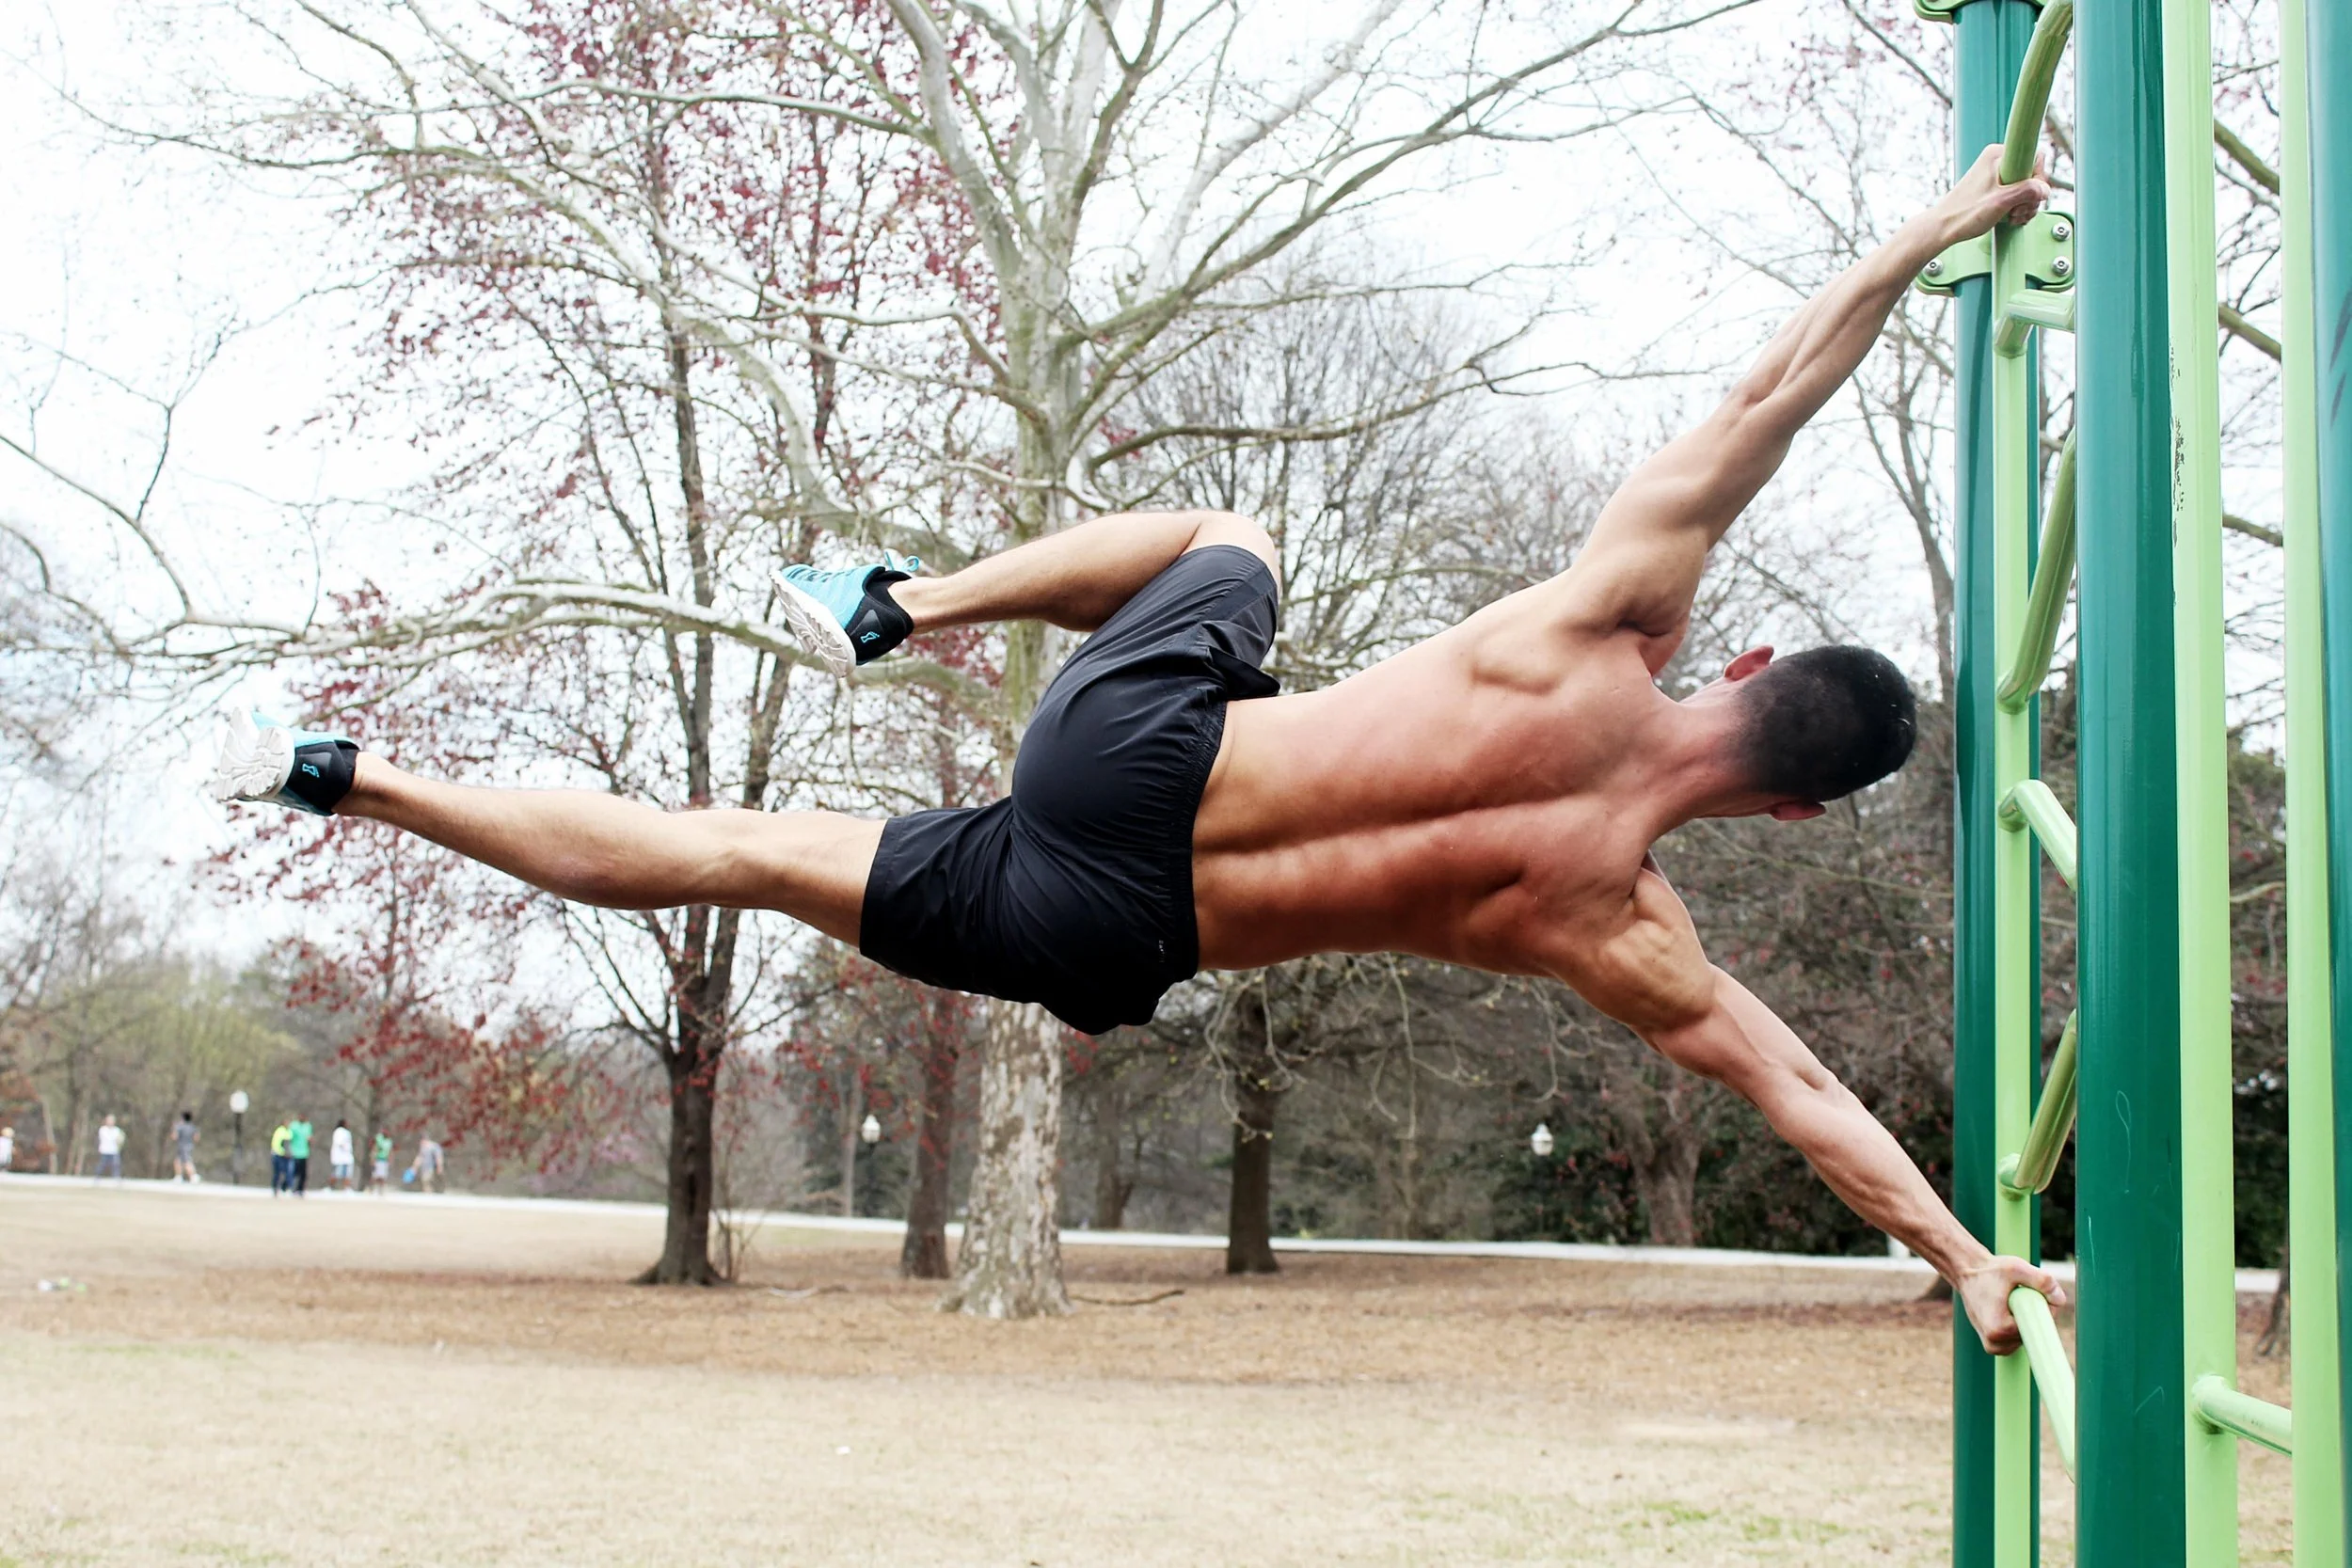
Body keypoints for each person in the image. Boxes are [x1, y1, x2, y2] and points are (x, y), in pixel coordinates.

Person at [210, 150, 2060, 1354]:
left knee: (1235, 540)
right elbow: (1799, 1088)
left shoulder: (1598, 627)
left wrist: (1924, 227)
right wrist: (1963, 1257)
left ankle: (899, 597)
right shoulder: (1620, 926)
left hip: (1131, 766)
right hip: (1114, 939)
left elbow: (1771, 390)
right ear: (1797, 802)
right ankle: (355, 778)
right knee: (734, 848)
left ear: (1738, 655)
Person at [285, 1116, 313, 1197]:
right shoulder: (294, 1126)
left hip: (304, 1153)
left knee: (303, 1173)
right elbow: (289, 1138)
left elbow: (309, 1138)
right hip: (295, 1153)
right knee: (294, 1172)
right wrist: (288, 1151)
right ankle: (291, 1188)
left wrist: (310, 1141)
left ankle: (300, 1189)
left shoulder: (307, 1126)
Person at [93, 1115, 124, 1182]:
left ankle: (116, 1178)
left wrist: (119, 1140)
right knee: (102, 1165)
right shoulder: (103, 1130)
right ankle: (97, 1177)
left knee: (116, 1165)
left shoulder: (117, 1130)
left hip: (114, 1151)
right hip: (105, 1150)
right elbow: (106, 1138)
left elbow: (119, 1140)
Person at [171, 1111, 199, 1183]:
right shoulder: (192, 1127)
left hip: (182, 1146)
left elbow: (174, 1137)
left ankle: (193, 1176)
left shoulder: (179, 1127)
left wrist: (174, 1129)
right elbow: (196, 1138)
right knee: (178, 1161)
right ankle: (179, 1176)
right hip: (190, 1146)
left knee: (186, 1162)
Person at [328, 1119, 356, 1192]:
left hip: (347, 1156)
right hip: (340, 1156)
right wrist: (345, 1147)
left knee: (347, 1173)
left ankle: (346, 1188)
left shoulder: (346, 1132)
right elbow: (339, 1142)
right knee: (337, 1173)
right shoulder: (339, 1131)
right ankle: (330, 1187)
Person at [268, 1119, 292, 1196]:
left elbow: (289, 1145)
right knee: (277, 1173)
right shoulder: (279, 1131)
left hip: (286, 1156)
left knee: (287, 1173)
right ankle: (275, 1188)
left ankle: (284, 1188)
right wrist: (283, 1152)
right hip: (278, 1155)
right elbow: (276, 1144)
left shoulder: (289, 1132)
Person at [370, 1130, 393, 1195]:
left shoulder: (389, 1141)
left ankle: (381, 1191)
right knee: (375, 1176)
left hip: (385, 1160)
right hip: (378, 1159)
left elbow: (390, 1151)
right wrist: (373, 1159)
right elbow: (374, 1149)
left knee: (383, 1176)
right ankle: (371, 1189)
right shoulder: (378, 1139)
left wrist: (390, 1160)